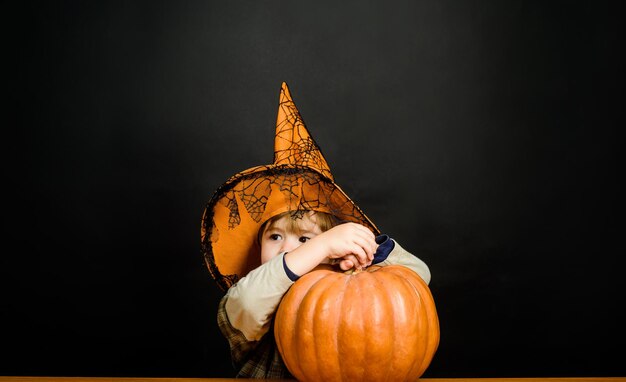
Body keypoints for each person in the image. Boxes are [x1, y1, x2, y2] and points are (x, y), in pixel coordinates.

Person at [201, 82, 431, 379]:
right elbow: (244, 303)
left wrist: (364, 249)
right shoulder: (253, 302)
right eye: (275, 237)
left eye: (305, 239)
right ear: (258, 247)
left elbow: (418, 278)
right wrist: (319, 246)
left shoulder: (339, 297)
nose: (286, 248)